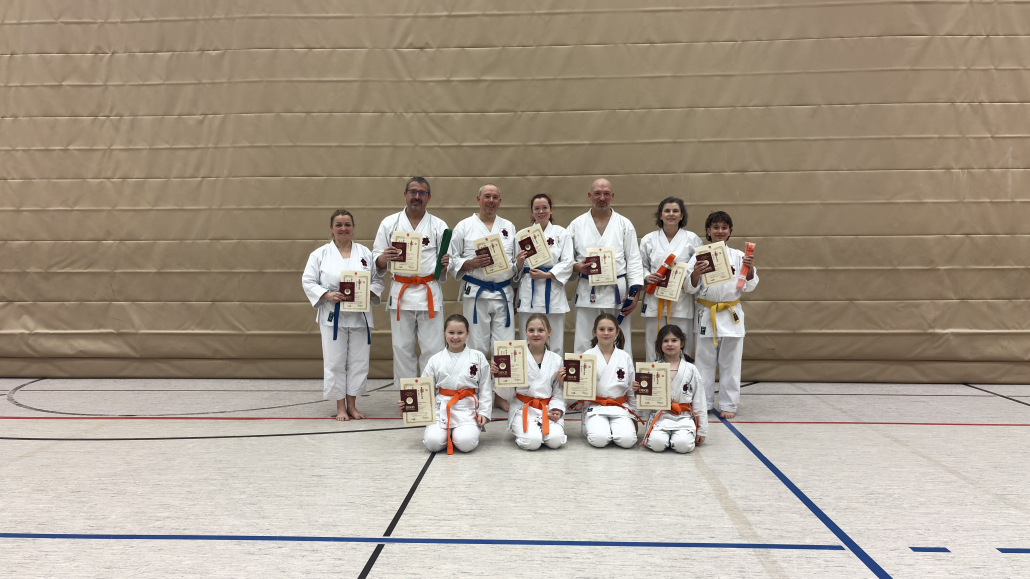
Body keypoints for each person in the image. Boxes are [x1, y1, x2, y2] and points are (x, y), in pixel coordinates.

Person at [302, 210, 384, 420]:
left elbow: (377, 280)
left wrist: (369, 292)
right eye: (338, 225)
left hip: (359, 316)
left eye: (347, 224)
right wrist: (327, 295)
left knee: (359, 361)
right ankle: (340, 406)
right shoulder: (320, 254)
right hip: (333, 315)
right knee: (335, 362)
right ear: (331, 228)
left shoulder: (365, 253)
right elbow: (308, 281)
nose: (343, 228)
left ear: (353, 227)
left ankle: (352, 405)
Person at [372, 177, 451, 381]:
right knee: (401, 347)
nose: (417, 196)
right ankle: (407, 395)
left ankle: (430, 392)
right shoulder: (389, 223)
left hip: (428, 291)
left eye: (422, 193)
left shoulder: (439, 225)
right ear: (405, 194)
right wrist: (384, 257)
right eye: (413, 192)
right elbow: (376, 260)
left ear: (429, 197)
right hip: (401, 292)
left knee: (433, 348)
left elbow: (445, 264)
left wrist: (446, 264)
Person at [448, 184, 518, 410]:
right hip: (476, 292)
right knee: (476, 345)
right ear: (478, 199)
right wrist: (469, 263)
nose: (491, 200)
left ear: (500, 201)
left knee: (504, 347)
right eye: (487, 196)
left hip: (503, 292)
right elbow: (451, 259)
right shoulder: (464, 226)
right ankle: (478, 392)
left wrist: (519, 265)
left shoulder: (508, 227)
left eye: (495, 197)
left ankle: (501, 394)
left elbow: (515, 263)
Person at [686, 211, 758, 419]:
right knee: (704, 363)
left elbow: (749, 286)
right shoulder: (698, 256)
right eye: (715, 227)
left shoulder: (739, 255)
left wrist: (750, 269)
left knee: (731, 363)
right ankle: (704, 403)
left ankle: (728, 404)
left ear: (729, 231)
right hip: (706, 313)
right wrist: (696, 273)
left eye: (724, 228)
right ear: (708, 231)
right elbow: (689, 288)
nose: (720, 231)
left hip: (730, 313)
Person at [567, 179, 644, 355]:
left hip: (616, 292)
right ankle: (584, 373)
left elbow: (634, 260)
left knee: (618, 340)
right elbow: (565, 259)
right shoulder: (576, 225)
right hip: (587, 290)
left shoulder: (624, 224)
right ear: (590, 196)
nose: (602, 198)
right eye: (597, 194)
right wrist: (577, 267)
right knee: (584, 341)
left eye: (606, 194)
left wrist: (635, 294)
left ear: (612, 196)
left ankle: (619, 372)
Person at [398, 314, 493, 454]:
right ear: (444, 332)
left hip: (467, 410)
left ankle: (458, 433)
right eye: (451, 332)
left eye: (460, 333)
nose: (455, 337)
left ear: (468, 333)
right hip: (441, 409)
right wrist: (409, 407)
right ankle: (448, 433)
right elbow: (424, 389)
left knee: (466, 443)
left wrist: (483, 412)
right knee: (432, 443)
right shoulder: (435, 359)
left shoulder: (478, 357)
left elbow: (485, 388)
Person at [639, 197, 703, 361]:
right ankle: (654, 377)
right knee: (654, 346)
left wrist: (687, 280)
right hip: (655, 300)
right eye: (667, 211)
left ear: (682, 215)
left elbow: (697, 269)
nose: (671, 214)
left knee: (682, 347)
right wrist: (647, 276)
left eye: (675, 211)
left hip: (681, 301)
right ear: (660, 215)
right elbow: (639, 266)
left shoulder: (693, 239)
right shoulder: (648, 239)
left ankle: (682, 377)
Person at [493, 313, 566, 450]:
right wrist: (499, 376)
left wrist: (556, 409)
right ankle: (527, 431)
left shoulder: (556, 359)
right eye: (531, 330)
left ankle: (539, 430)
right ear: (525, 332)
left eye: (541, 330)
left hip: (547, 408)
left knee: (556, 441)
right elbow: (508, 395)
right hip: (522, 408)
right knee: (532, 442)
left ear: (549, 332)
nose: (535, 334)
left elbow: (557, 391)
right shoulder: (515, 356)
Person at [515, 194, 574, 355]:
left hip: (552, 288)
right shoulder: (522, 235)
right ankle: (528, 370)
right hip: (529, 290)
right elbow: (515, 269)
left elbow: (568, 262)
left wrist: (547, 275)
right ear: (531, 211)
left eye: (544, 208)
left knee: (555, 340)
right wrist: (519, 263)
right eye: (537, 208)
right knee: (527, 339)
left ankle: (555, 371)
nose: (541, 211)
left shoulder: (561, 233)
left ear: (551, 210)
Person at [637, 325, 708, 453]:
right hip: (660, 417)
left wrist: (702, 431)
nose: (670, 344)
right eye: (665, 341)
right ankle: (666, 438)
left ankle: (678, 438)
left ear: (682, 343)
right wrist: (637, 390)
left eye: (674, 340)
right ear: (659, 345)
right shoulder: (652, 368)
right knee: (657, 444)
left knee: (683, 445)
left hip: (683, 417)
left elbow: (699, 401)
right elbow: (645, 401)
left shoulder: (691, 369)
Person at [576, 313, 640, 448]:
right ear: (595, 332)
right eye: (602, 329)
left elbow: (630, 389)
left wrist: (634, 414)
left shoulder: (625, 357)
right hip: (595, 407)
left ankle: (615, 430)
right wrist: (579, 398)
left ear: (617, 332)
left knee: (627, 441)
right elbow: (581, 386)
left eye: (610, 329)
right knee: (599, 440)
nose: (606, 333)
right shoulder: (586, 356)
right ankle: (600, 429)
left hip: (620, 407)